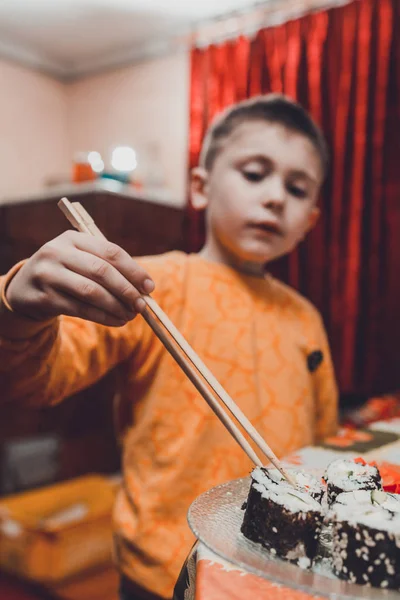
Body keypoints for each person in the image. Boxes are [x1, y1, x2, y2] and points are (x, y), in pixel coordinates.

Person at [0, 94, 338, 600]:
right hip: (166, 567)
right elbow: (38, 381)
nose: (274, 198)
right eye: (254, 173)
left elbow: (322, 443)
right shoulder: (151, 282)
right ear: (199, 188)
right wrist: (19, 309)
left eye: (296, 188)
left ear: (310, 219)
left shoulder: (305, 316)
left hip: (278, 574)